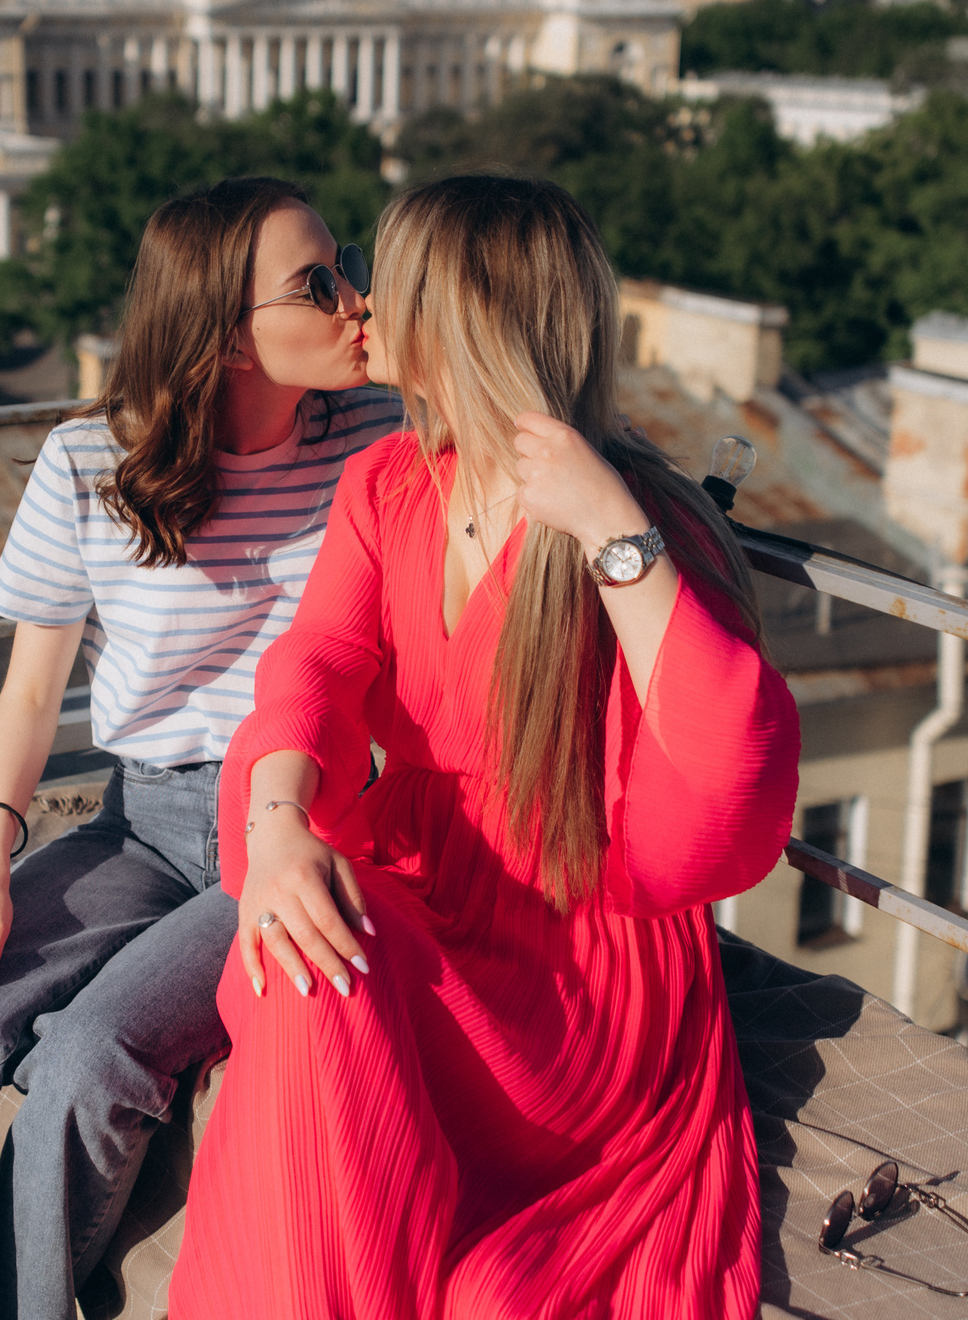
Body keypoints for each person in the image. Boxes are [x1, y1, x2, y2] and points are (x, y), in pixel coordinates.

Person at [170, 174, 801, 1319]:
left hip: (573, 967)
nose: (360, 302)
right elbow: (316, 665)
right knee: (305, 964)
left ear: (459, 316)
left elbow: (726, 789)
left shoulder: (637, 522)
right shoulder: (388, 482)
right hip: (425, 889)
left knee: (317, 994)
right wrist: (277, 825)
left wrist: (612, 529)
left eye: (386, 278)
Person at [0, 175, 402, 1320]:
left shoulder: (378, 431)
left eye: (347, 266)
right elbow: (27, 697)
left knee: (92, 1057)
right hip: (142, 821)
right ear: (223, 331)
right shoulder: (87, 463)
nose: (356, 300)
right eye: (318, 284)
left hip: (301, 828)